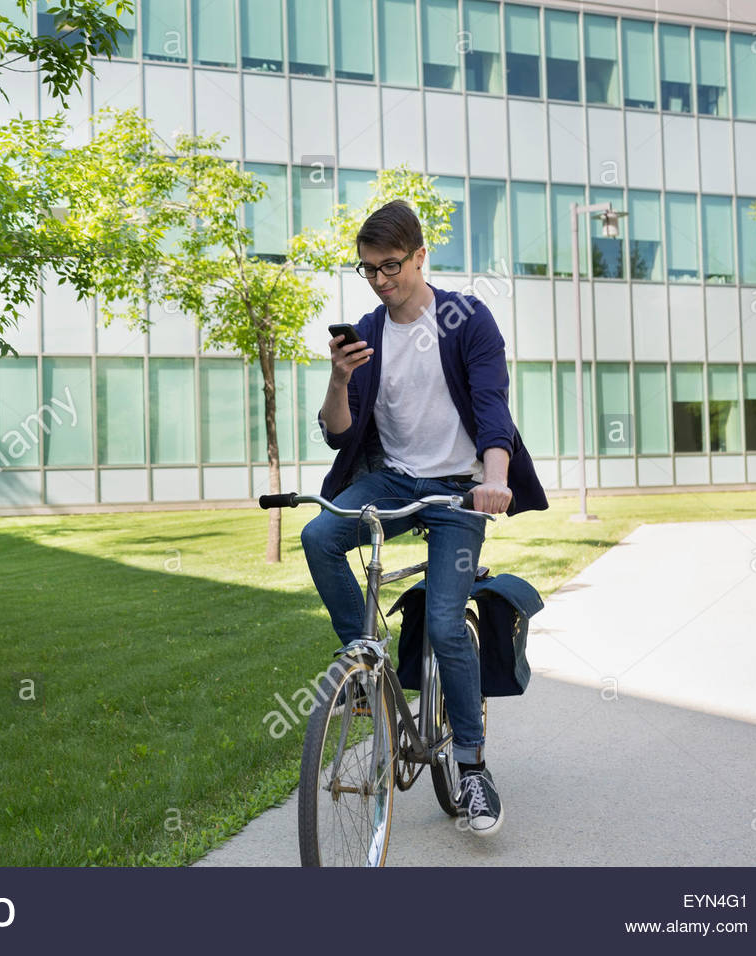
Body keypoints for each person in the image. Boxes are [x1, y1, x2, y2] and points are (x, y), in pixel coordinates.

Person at [301, 199, 548, 837]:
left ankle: (472, 769)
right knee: (320, 534)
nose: (380, 281)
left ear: (419, 257)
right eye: (367, 271)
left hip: (462, 489)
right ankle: (363, 658)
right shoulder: (369, 331)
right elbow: (338, 435)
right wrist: (337, 379)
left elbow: (492, 408)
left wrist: (495, 480)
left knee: (443, 623)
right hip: (394, 479)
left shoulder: (465, 319)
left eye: (390, 267)